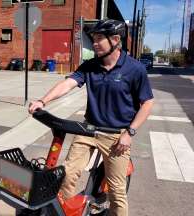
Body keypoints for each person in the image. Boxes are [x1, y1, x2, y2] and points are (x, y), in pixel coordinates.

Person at [28, 19, 154, 216]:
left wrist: (129, 133)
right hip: (87, 129)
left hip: (116, 136)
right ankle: (64, 211)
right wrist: (43, 101)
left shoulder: (134, 69)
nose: (94, 44)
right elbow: (68, 83)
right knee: (67, 174)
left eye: (98, 39)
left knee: (116, 190)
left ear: (115, 40)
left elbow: (147, 103)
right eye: (93, 39)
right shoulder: (90, 66)